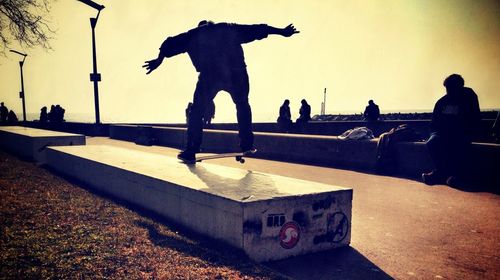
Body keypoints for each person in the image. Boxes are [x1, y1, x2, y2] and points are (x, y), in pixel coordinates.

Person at [143, 20, 299, 161]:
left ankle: (191, 149)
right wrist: (282, 32)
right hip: (236, 74)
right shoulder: (227, 28)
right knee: (243, 105)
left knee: (197, 111)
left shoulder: (193, 35)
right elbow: (257, 29)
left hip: (211, 75)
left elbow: (169, 44)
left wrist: (158, 60)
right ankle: (246, 144)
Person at [422, 74, 480, 186]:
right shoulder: (442, 102)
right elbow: (434, 123)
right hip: (442, 133)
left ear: (459, 87)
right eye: (447, 88)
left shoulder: (468, 98)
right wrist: (434, 133)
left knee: (457, 145)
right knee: (432, 143)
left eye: (451, 88)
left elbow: (474, 118)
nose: (448, 91)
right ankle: (440, 172)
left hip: (461, 132)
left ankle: (457, 175)